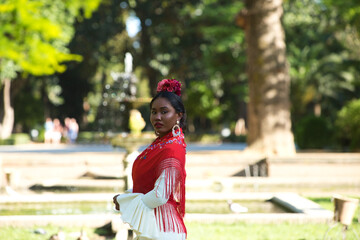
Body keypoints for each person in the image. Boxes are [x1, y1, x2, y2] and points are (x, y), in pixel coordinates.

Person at [113, 78, 187, 240]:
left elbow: (160, 195)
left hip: (161, 231)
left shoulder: (172, 147)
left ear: (178, 116)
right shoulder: (162, 143)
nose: (157, 117)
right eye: (154, 112)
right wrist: (125, 197)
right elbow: (149, 186)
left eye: (164, 111)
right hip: (153, 227)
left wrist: (126, 202)